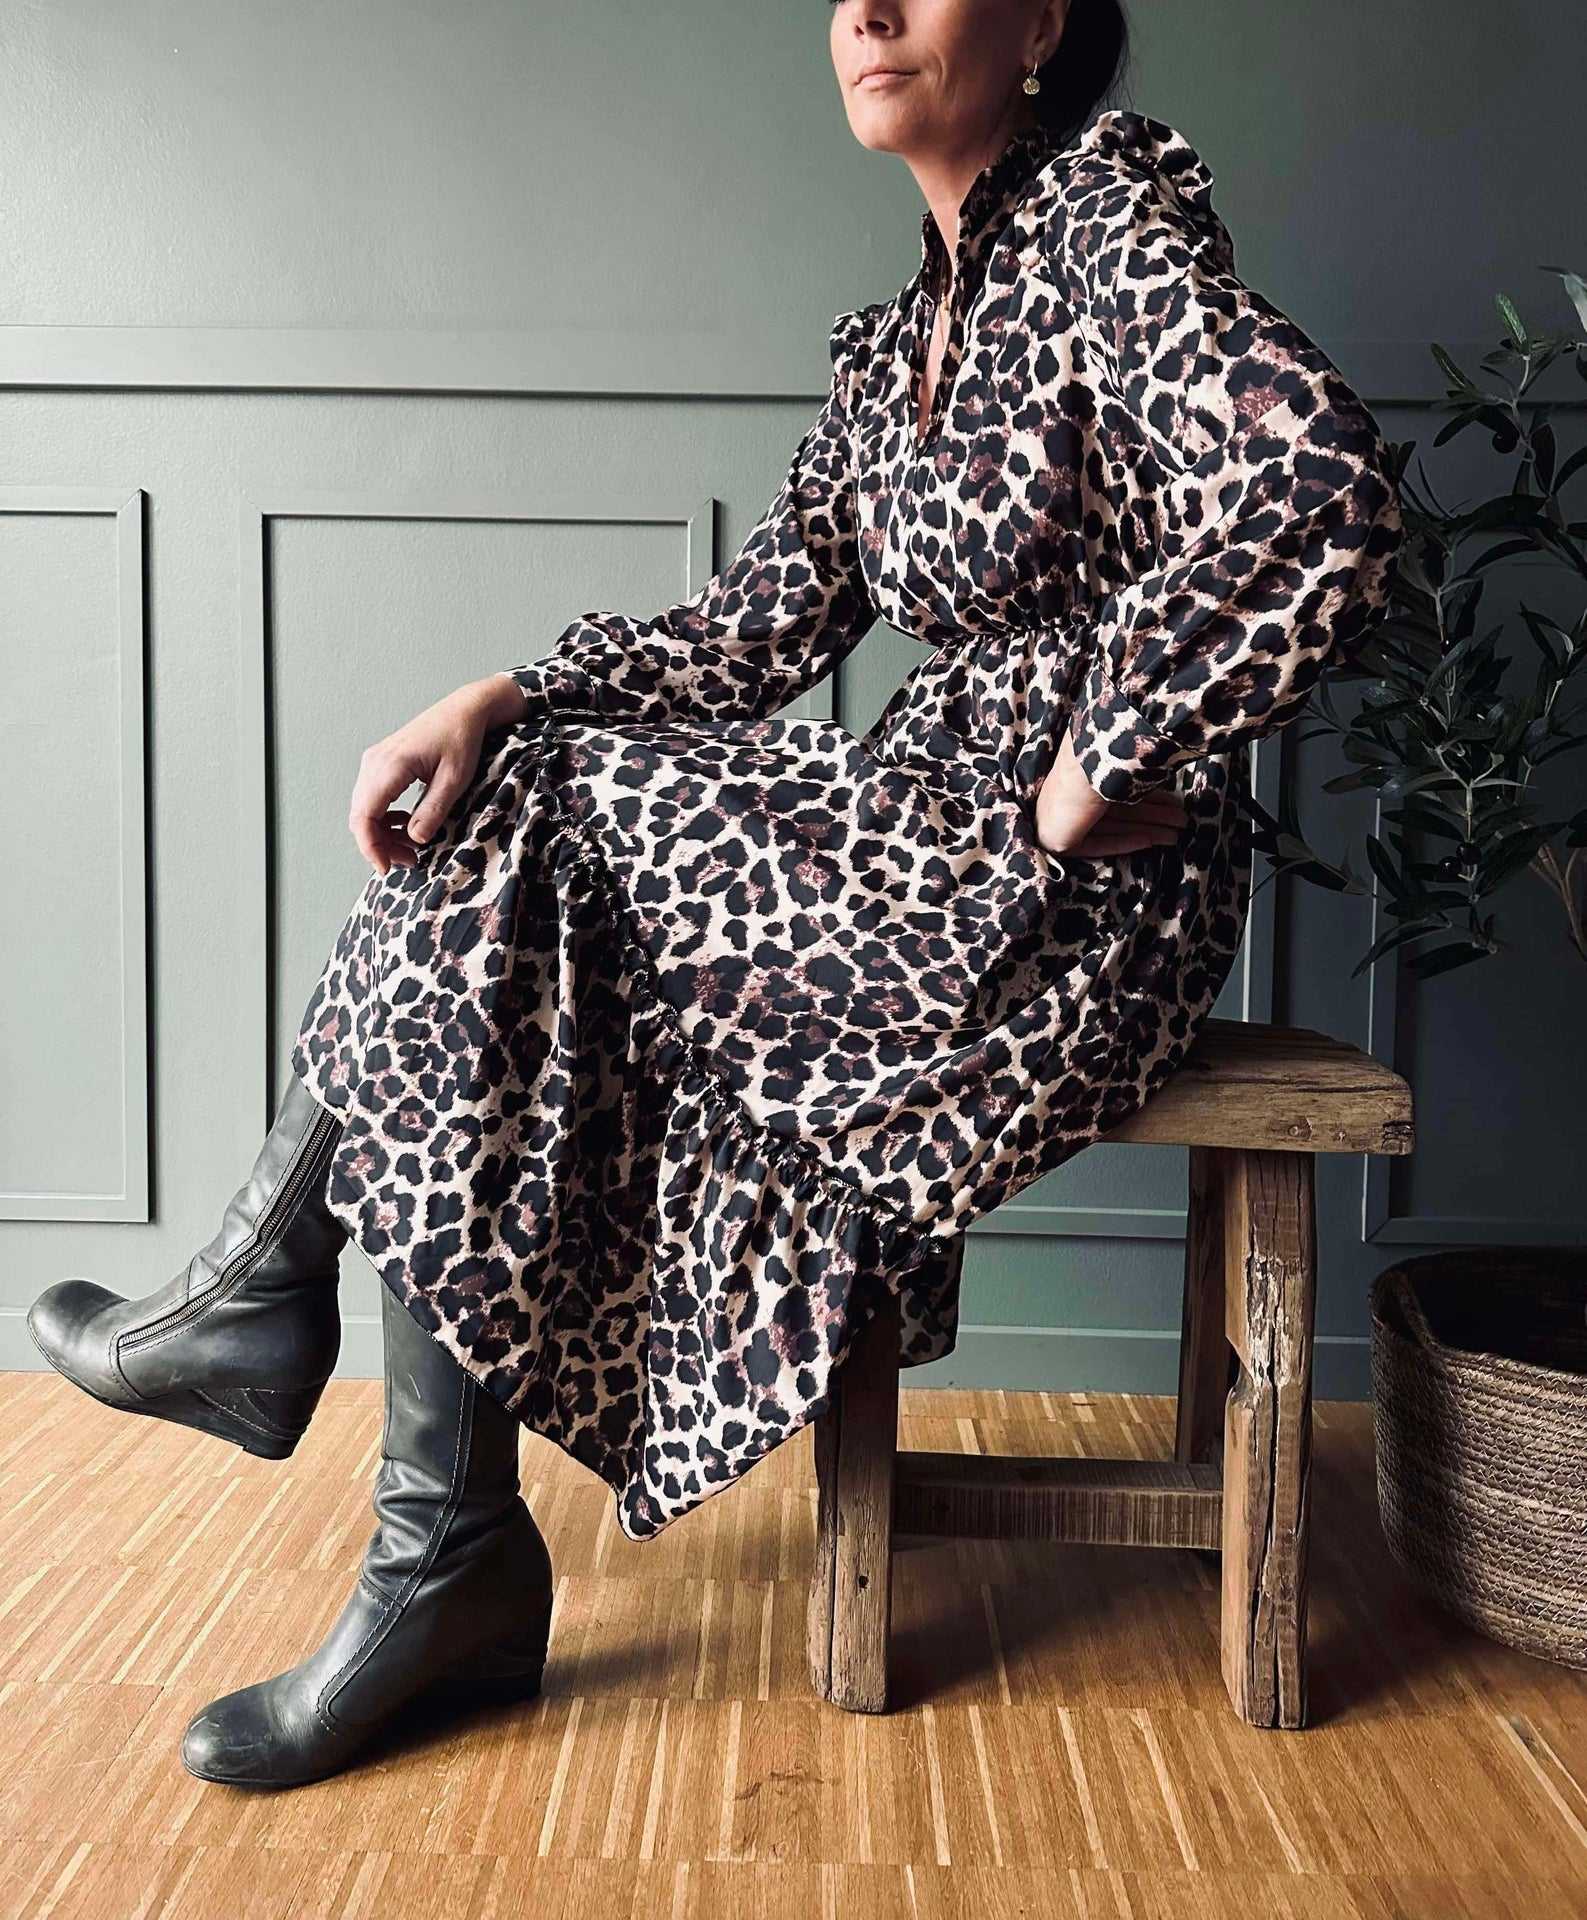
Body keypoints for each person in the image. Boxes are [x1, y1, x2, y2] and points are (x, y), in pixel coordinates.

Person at [28, 0, 1403, 1790]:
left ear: (1045, 19)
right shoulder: (907, 334)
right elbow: (756, 631)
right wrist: (504, 690)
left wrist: (1107, 748)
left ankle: (350, 1423)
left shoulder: (1107, 223)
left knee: (538, 828)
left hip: (1070, 907)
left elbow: (1325, 492)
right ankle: (389, 1478)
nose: (867, 12)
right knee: (515, 808)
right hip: (925, 842)